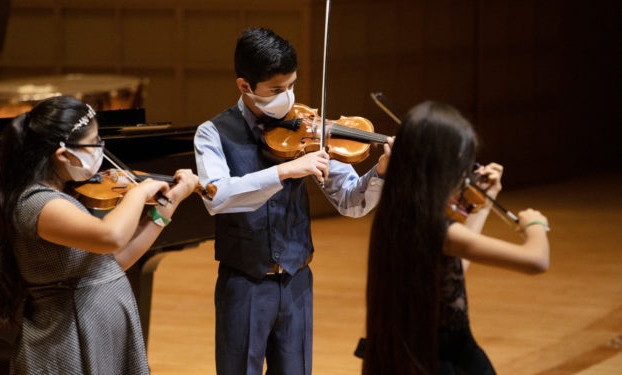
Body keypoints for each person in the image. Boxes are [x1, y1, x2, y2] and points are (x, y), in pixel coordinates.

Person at [193, 27, 394, 374]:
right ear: (245, 86)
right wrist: (284, 172)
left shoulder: (309, 131)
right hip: (244, 283)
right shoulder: (212, 133)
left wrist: (381, 170)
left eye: (292, 86)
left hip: (297, 280)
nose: (288, 98)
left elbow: (351, 201)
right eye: (276, 90)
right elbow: (217, 196)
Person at [0, 95, 199, 374]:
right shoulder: (38, 204)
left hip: (98, 330)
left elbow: (112, 264)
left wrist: (170, 204)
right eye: (94, 142)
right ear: (62, 154)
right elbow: (111, 236)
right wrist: (139, 192)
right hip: (68, 340)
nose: (100, 149)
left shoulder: (61, 195)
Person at [363, 101, 550, 375]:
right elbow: (536, 261)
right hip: (444, 361)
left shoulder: (396, 218)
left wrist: (485, 203)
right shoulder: (441, 230)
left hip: (407, 356)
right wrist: (535, 225)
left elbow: (454, 269)